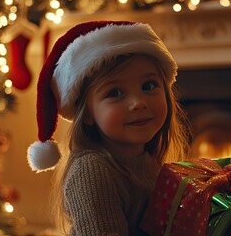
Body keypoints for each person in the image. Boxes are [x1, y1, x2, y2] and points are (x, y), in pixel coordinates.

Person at [26, 21, 192, 235]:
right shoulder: (92, 171)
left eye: (148, 86)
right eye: (115, 93)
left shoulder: (148, 162)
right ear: (87, 114)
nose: (138, 102)